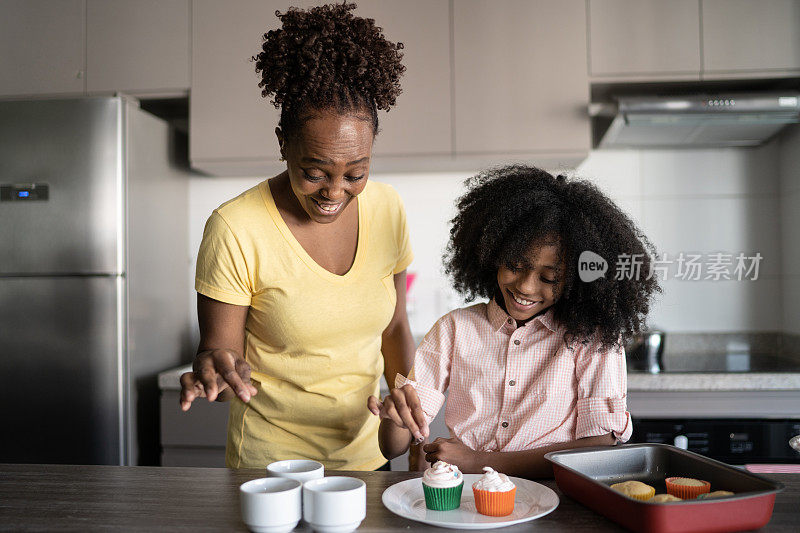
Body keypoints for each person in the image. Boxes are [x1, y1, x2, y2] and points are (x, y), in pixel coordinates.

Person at [180, 3, 415, 471]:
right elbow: (220, 350)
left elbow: (394, 327)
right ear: (283, 142)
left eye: (356, 173)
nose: (334, 191)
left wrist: (407, 399)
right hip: (270, 466)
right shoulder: (236, 226)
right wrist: (216, 370)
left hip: (366, 462)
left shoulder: (387, 208)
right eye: (314, 171)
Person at [368, 165, 661, 478]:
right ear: (492, 253)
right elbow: (392, 448)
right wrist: (397, 419)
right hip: (465, 500)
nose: (525, 287)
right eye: (515, 265)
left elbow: (599, 448)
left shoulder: (593, 338)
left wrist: (478, 462)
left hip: (555, 503)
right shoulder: (454, 330)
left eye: (549, 277)